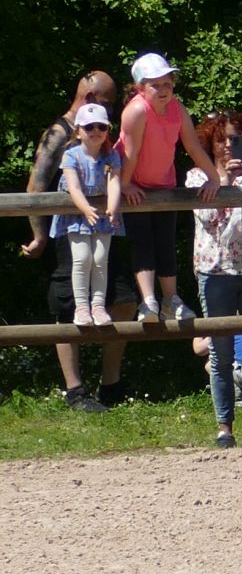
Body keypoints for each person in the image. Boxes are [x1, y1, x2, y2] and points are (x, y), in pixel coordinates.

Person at [23, 72, 127, 409]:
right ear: (92, 96)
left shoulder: (105, 135)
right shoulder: (59, 134)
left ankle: (111, 382)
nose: (107, 116)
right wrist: (39, 234)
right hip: (70, 229)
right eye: (107, 103)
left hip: (107, 224)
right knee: (68, 303)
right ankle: (75, 388)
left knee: (122, 297)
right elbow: (36, 184)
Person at [185, 116, 242, 447]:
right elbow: (208, 216)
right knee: (221, 352)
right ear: (209, 146)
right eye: (221, 140)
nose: (228, 146)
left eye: (235, 139)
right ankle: (225, 426)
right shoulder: (196, 176)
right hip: (215, 270)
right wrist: (222, 177)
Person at [115, 52, 214, 329]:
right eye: (154, 84)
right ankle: (148, 301)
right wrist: (125, 184)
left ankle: (171, 300)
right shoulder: (136, 111)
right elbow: (130, 154)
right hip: (134, 185)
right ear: (140, 88)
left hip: (164, 185)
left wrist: (214, 178)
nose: (162, 89)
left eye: (167, 83)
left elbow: (192, 146)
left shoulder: (178, 109)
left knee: (165, 242)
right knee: (143, 242)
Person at [52, 104, 123, 329]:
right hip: (77, 214)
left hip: (102, 214)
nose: (95, 131)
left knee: (101, 259)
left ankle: (98, 305)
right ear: (79, 130)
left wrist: (112, 207)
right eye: (89, 126)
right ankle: (82, 306)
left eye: (101, 126)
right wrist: (85, 208)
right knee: (82, 258)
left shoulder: (111, 155)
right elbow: (73, 186)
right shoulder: (71, 155)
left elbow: (114, 181)